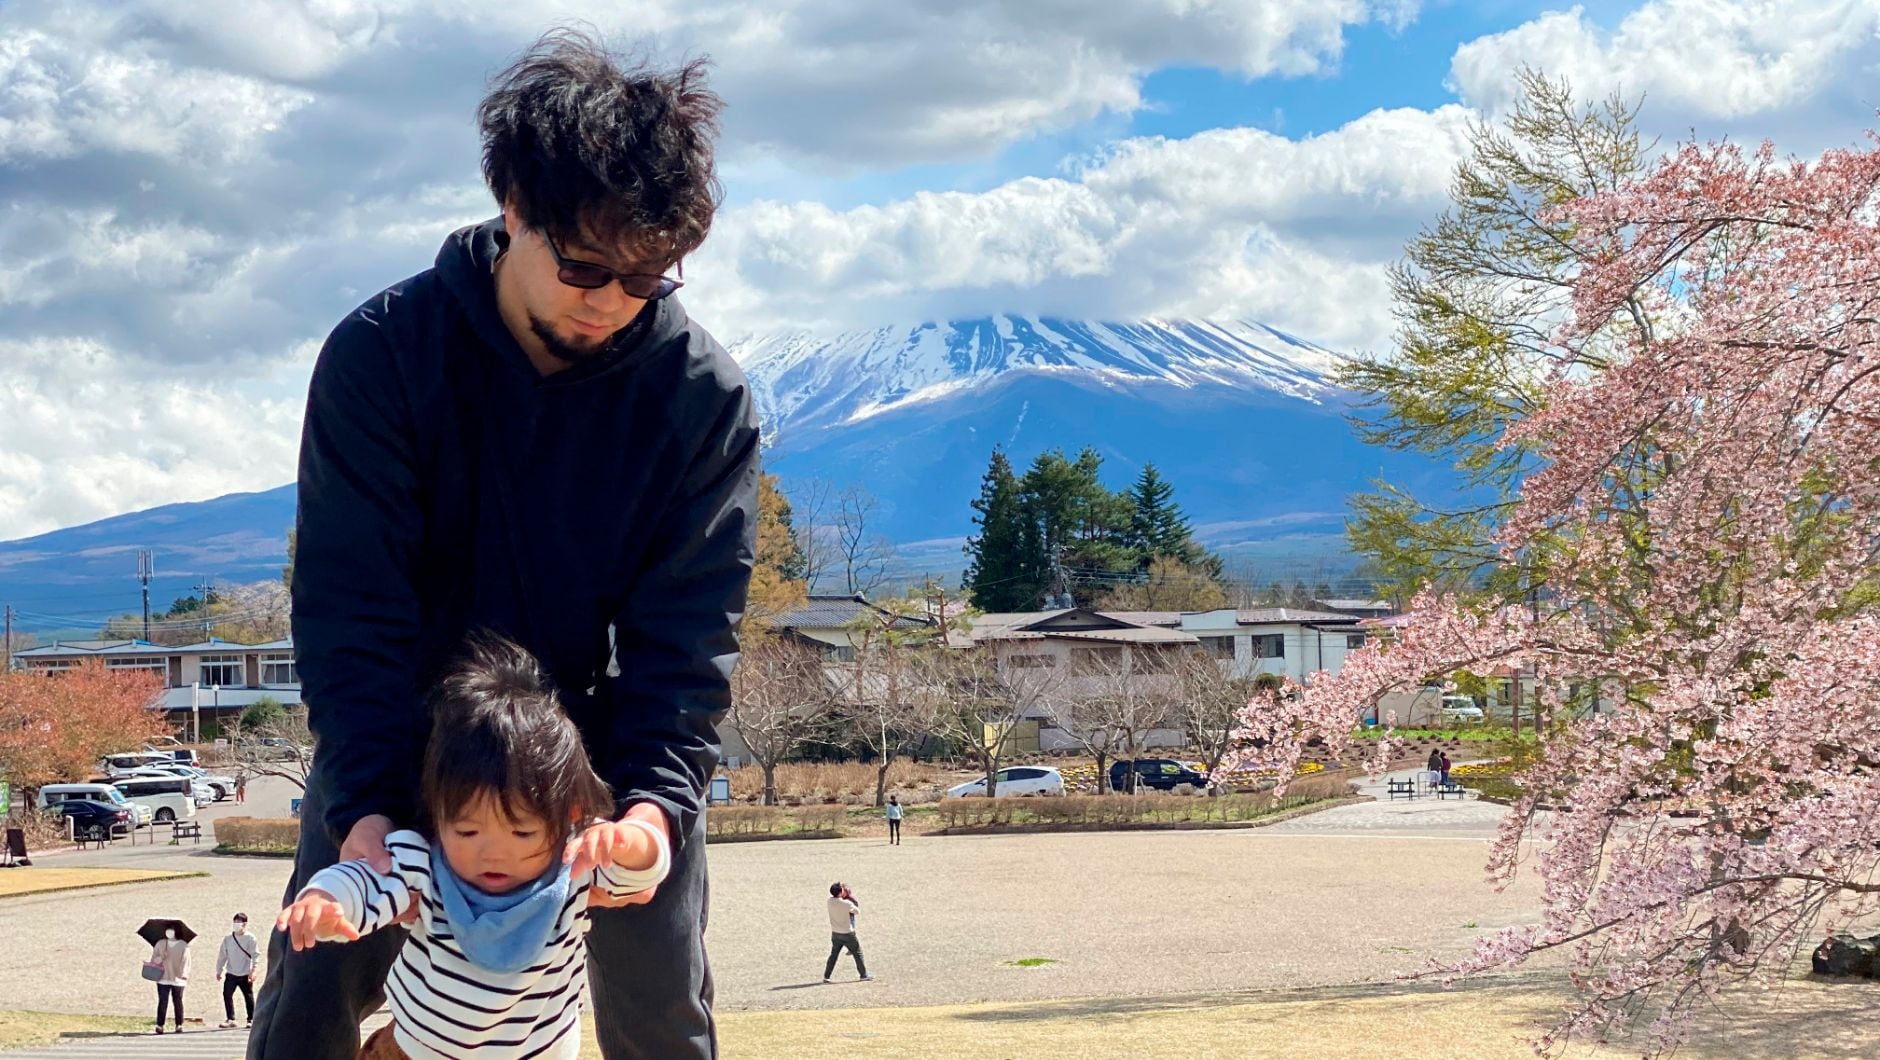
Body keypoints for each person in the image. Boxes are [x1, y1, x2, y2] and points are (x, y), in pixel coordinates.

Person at [248, 30, 756, 1060]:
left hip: (604, 749)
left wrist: (656, 809)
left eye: (648, 278)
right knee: (309, 1001)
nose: (611, 301)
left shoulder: (701, 399)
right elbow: (351, 613)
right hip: (409, 739)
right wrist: (366, 811)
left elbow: (687, 643)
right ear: (511, 207)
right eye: (582, 265)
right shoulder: (383, 355)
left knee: (662, 1016)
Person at [276, 638, 669, 1060]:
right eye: (467, 832)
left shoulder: (574, 861)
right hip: (416, 1050)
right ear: (436, 813)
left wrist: (633, 843)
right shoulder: (427, 862)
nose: (492, 854)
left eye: (521, 835)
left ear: (567, 816)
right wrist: (326, 899)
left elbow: (640, 874)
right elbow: (368, 877)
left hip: (539, 1051)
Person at [216, 913, 261, 1028]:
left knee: (248, 996)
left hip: (245, 972)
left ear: (245, 924)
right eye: (235, 921)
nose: (236, 924)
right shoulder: (228, 939)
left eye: (239, 922)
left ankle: (251, 1019)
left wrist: (253, 970)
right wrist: (219, 970)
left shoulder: (250, 938)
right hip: (231, 972)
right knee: (227, 994)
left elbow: (255, 955)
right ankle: (231, 1018)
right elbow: (222, 955)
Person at [823, 883, 871, 983]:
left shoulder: (829, 901)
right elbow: (857, 911)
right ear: (841, 892)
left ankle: (827, 976)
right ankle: (863, 975)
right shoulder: (847, 904)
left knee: (833, 955)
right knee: (857, 953)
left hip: (835, 933)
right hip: (848, 933)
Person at [150, 927, 189, 1034]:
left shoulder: (183, 945)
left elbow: (186, 960)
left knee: (178, 1001)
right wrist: (161, 957)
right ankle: (160, 1025)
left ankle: (179, 1024)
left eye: (171, 930)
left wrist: (184, 974)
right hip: (163, 977)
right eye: (167, 930)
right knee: (163, 1001)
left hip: (178, 978)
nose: (169, 932)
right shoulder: (160, 944)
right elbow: (154, 960)